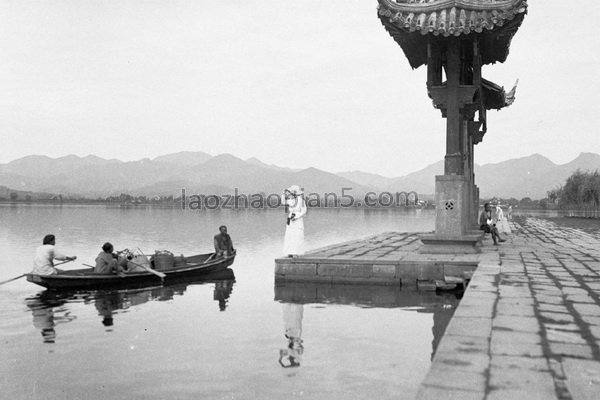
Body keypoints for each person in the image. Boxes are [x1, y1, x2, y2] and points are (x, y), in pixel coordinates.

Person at [282, 185, 307, 257]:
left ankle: (296, 252)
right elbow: (283, 202)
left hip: (297, 219)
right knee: (290, 235)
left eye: (293, 192)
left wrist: (296, 216)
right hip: (290, 220)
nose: (292, 193)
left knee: (297, 235)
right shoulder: (290, 200)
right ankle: (289, 252)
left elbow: (304, 211)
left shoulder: (301, 200)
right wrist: (283, 193)